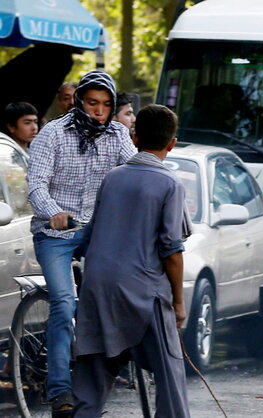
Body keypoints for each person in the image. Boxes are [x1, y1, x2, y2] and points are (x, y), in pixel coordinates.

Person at [26, 70, 135, 414]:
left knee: (118, 291)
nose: (99, 111)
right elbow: (36, 185)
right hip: (55, 233)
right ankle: (59, 390)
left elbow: (136, 171)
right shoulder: (52, 133)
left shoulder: (118, 134)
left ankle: (110, 366)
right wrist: (53, 211)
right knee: (63, 302)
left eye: (106, 105)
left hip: (98, 232)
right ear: (78, 101)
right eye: (92, 103)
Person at [72, 104, 190, 417]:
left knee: (92, 377)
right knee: (169, 371)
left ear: (134, 138)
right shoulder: (170, 184)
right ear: (172, 143)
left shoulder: (113, 177)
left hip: (97, 284)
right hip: (141, 289)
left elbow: (91, 234)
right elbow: (172, 251)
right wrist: (178, 303)